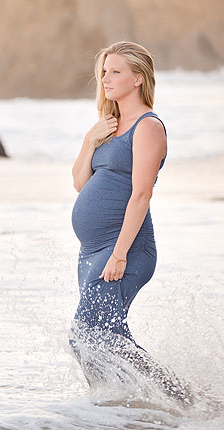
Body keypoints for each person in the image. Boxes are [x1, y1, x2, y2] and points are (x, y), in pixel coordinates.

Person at [67, 41, 189, 402]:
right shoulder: (109, 125)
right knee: (100, 338)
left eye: (115, 71)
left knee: (87, 335)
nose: (106, 78)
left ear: (138, 78)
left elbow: (141, 195)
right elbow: (78, 182)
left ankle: (178, 399)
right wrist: (91, 138)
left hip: (126, 250)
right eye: (104, 71)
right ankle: (115, 409)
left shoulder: (148, 127)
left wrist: (119, 254)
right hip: (92, 251)